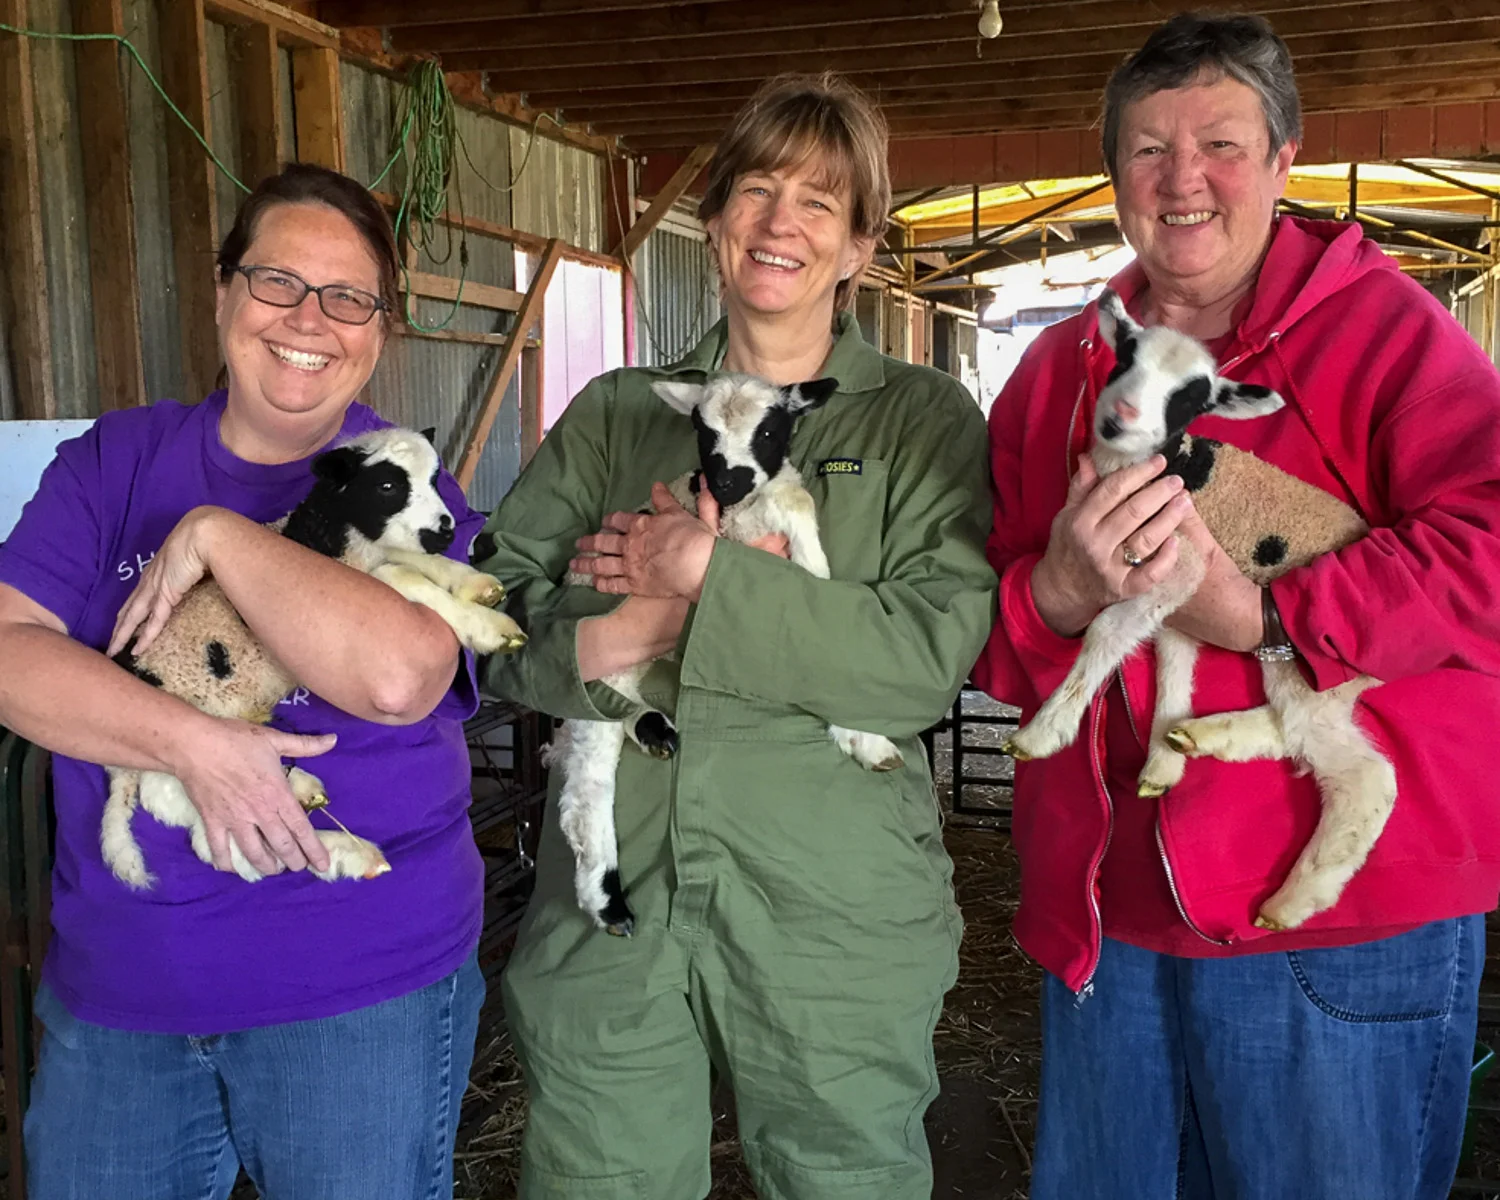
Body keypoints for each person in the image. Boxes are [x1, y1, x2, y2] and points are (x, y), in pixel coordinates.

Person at [973, 13, 1500, 1199]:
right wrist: (1055, 590)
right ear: (1113, 178)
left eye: (1221, 141)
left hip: (1335, 928)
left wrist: (1266, 617)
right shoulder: (1060, 373)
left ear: (1284, 159)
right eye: (1149, 149)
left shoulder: (1386, 334)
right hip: (1107, 920)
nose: (1184, 179)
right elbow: (996, 642)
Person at [475, 74, 996, 1198]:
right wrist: (629, 630)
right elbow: (491, 611)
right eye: (756, 191)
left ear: (860, 245)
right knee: (595, 1179)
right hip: (613, 899)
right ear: (709, 223)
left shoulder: (919, 421)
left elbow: (916, 660)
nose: (779, 225)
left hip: (832, 901)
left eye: (819, 204)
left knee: (843, 1175)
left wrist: (708, 576)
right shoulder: (620, 412)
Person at [0, 164, 488, 1199]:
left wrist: (219, 536)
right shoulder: (114, 462)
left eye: (348, 296)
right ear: (222, 293)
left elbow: (403, 675)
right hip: (122, 988)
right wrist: (192, 746)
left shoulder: (400, 476)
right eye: (275, 282)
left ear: (379, 331)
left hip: (356, 987)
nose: (309, 318)